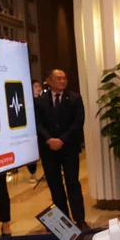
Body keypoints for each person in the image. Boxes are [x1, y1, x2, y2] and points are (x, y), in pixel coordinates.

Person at [34, 69, 86, 226]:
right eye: (58, 78)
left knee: (73, 184)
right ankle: (64, 222)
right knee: (55, 185)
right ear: (49, 81)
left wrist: (62, 139)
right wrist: (49, 139)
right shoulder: (39, 100)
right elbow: (37, 123)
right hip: (48, 149)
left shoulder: (75, 98)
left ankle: (79, 219)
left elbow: (78, 122)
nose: (63, 81)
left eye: (64, 78)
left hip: (69, 147)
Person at [27, 80, 43, 183]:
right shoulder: (27, 101)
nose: (38, 88)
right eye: (35, 86)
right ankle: (32, 173)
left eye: (39, 86)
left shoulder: (43, 100)